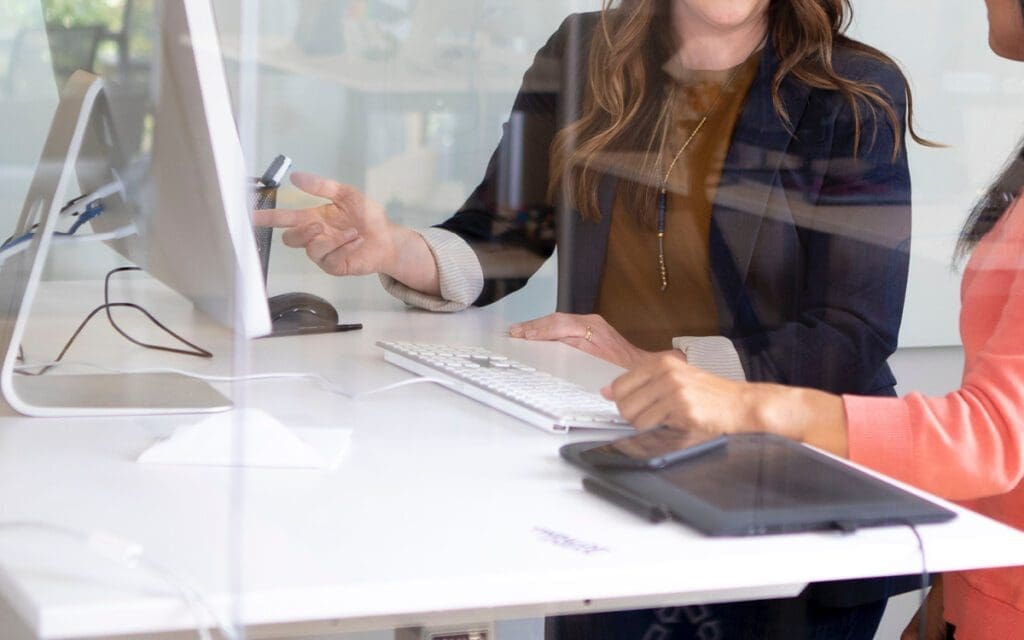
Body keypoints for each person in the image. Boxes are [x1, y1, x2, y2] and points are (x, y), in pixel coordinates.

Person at [257, 0, 926, 636]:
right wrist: (395, 247)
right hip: (623, 468)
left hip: (787, 493)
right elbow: (506, 233)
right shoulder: (583, 53)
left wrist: (663, 369)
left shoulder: (852, 91)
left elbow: (853, 332)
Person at [601, 1, 1024, 638]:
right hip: (983, 587)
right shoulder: (602, 66)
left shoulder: (849, 93)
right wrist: (948, 594)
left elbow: (993, 434)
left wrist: (741, 401)